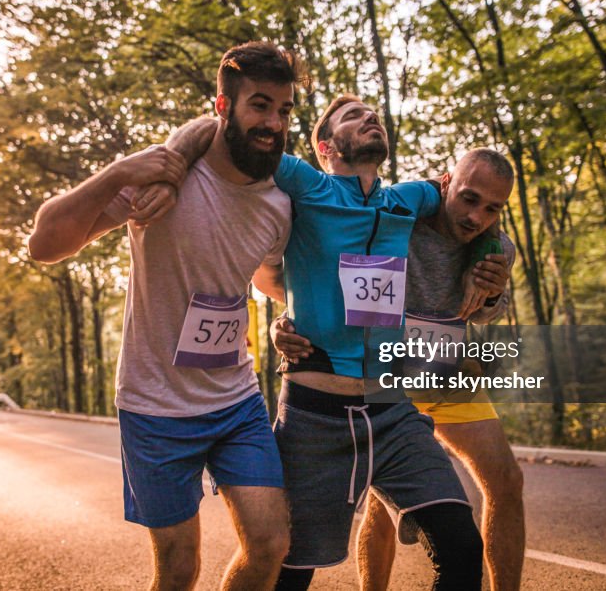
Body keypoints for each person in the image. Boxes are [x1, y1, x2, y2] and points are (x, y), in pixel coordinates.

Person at [169, 95, 487, 590]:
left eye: (373, 113)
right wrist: (167, 165)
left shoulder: (409, 198)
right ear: (326, 146)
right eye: (353, 117)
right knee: (290, 572)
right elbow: (225, 133)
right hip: (315, 417)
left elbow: (474, 201)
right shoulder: (305, 183)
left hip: (392, 411)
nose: (370, 118)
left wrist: (496, 258)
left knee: (463, 548)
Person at [28, 41, 308, 591]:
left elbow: (266, 278)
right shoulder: (161, 179)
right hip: (155, 404)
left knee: (271, 543)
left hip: (235, 399)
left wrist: (290, 315)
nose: (274, 123)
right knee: (179, 569)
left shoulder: (280, 202)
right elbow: (44, 244)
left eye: (284, 110)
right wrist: (118, 172)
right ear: (223, 107)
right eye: (259, 105)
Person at [273, 148, 523, 591]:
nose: (477, 216)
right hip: (385, 375)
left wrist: (490, 291)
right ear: (444, 184)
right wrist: (285, 322)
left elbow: (486, 314)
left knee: (505, 478)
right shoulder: (395, 219)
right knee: (382, 504)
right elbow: (325, 270)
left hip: (447, 372)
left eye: (492, 208)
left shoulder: (498, 246)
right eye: (468, 199)